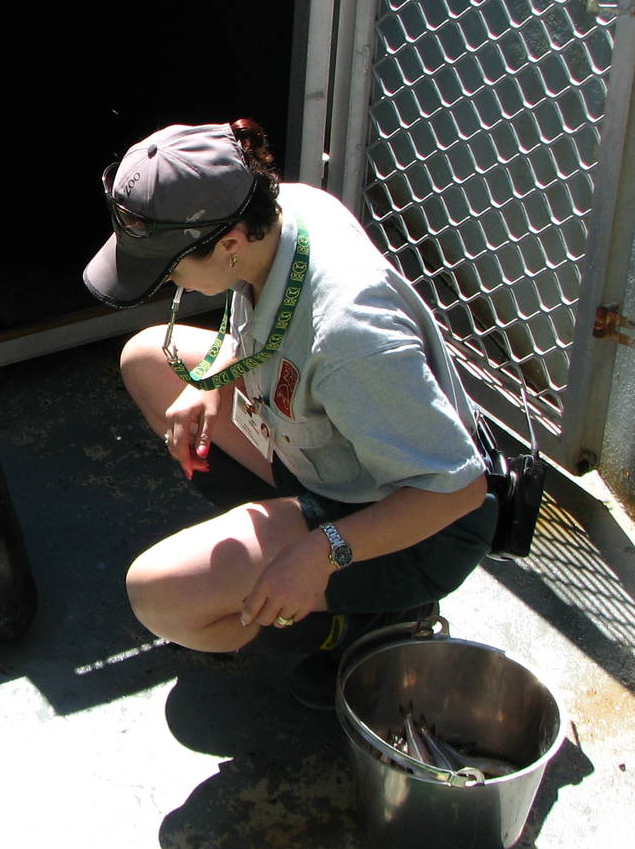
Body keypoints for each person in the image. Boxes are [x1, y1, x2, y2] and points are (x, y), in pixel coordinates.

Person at [83, 120, 497, 707]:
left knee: (160, 597)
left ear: (227, 244)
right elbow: (254, 313)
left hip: (409, 522)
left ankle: (359, 622)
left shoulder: (352, 336)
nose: (166, 279)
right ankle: (272, 554)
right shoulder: (284, 211)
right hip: (321, 448)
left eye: (169, 265)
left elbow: (458, 491)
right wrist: (214, 381)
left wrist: (317, 552)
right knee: (150, 358)